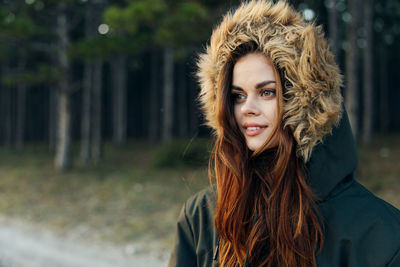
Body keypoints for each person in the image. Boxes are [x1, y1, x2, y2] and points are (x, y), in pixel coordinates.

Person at [168, 1, 400, 266]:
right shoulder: (202, 216)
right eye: (237, 96)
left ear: (305, 100)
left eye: (267, 92)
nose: (247, 109)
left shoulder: (380, 233)